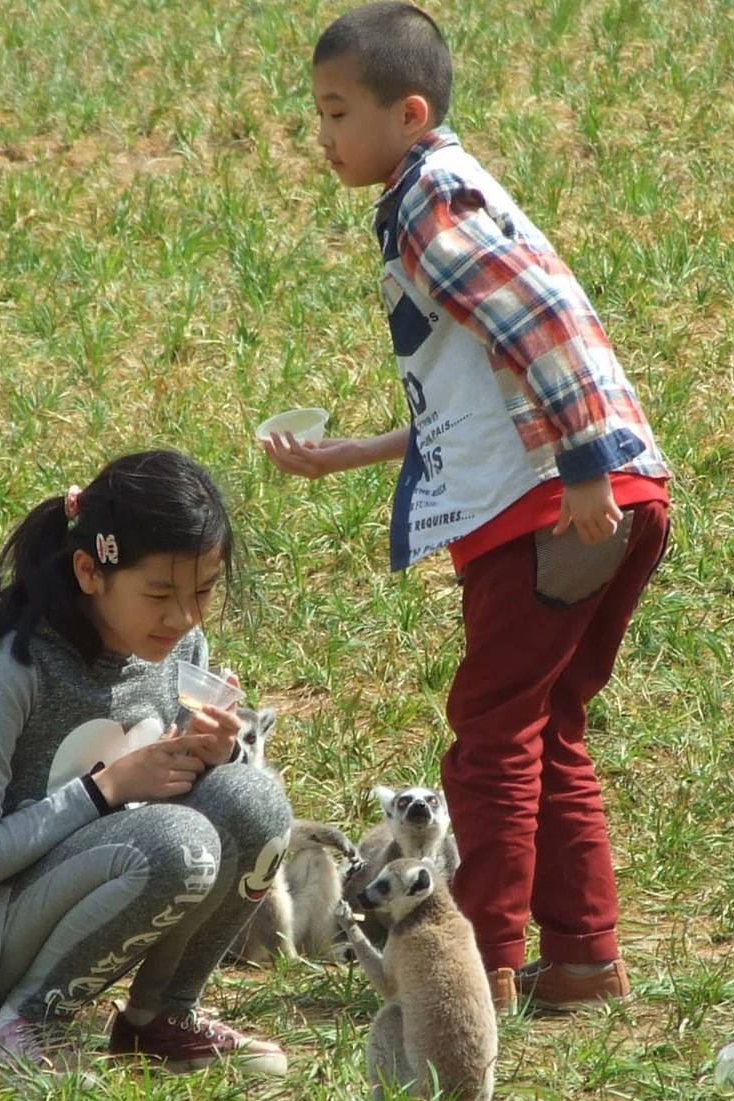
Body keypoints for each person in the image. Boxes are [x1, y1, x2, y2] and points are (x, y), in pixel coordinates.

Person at [265, 2, 672, 1016]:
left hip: (553, 509)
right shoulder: (450, 190)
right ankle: (579, 964)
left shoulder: (425, 199)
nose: (322, 136)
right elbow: (488, 383)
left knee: (490, 735)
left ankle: (472, 972)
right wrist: (355, 453)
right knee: (547, 725)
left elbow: (534, 325)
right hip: (613, 489)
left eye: (336, 112)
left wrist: (579, 468)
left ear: (408, 114)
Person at [0, 450, 293, 1077]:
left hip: (100, 875)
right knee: (182, 843)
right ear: (90, 570)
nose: (183, 616)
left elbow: (163, 799)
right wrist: (106, 788)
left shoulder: (179, 645)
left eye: (203, 592)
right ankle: (25, 1024)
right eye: (159, 592)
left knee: (255, 802)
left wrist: (208, 756)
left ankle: (161, 1021)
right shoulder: (11, 667)